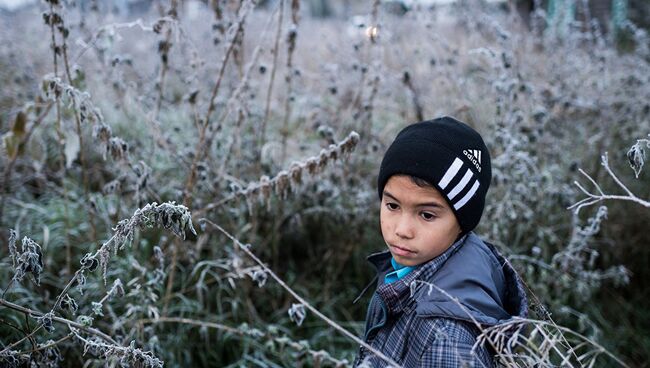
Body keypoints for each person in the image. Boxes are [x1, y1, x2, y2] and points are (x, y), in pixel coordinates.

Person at [354, 116, 528, 367]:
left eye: (427, 214)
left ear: (462, 222)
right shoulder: (410, 267)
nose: (402, 230)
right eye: (392, 205)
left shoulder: (445, 339)